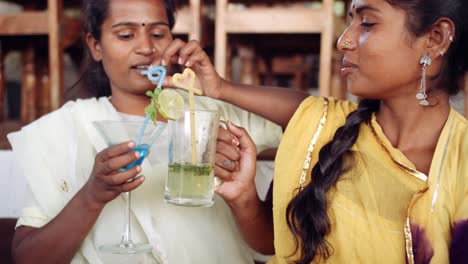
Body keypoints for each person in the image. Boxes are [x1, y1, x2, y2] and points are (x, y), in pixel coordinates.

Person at [164, 0, 468, 263]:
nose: (343, 41)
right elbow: (274, 244)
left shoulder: (461, 161)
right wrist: (244, 198)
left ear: (435, 39)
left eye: (368, 23)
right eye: (351, 21)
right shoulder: (321, 129)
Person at [7, 0, 282, 263]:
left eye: (158, 33)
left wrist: (223, 88)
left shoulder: (213, 113)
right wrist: (91, 196)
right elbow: (28, 258)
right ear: (95, 46)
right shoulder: (67, 128)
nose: (146, 47)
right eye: (126, 35)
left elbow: (319, 115)